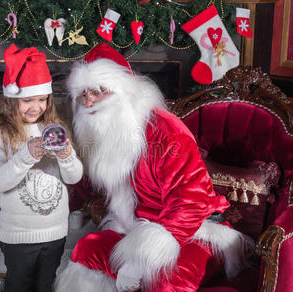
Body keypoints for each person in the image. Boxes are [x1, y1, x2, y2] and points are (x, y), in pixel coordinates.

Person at [55, 43, 251, 292]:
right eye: (82, 95)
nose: (89, 101)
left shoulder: (165, 131)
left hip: (194, 231)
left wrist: (141, 260)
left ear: (123, 91)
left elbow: (191, 203)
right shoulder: (106, 136)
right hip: (136, 228)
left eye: (98, 90)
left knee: (167, 281)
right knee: (86, 249)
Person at [0, 44, 83, 292]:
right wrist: (25, 157)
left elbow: (74, 178)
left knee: (46, 285)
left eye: (42, 99)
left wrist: (66, 155)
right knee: (19, 286)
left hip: (55, 233)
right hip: (19, 237)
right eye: (27, 100)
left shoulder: (55, 129)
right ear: (12, 99)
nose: (35, 107)